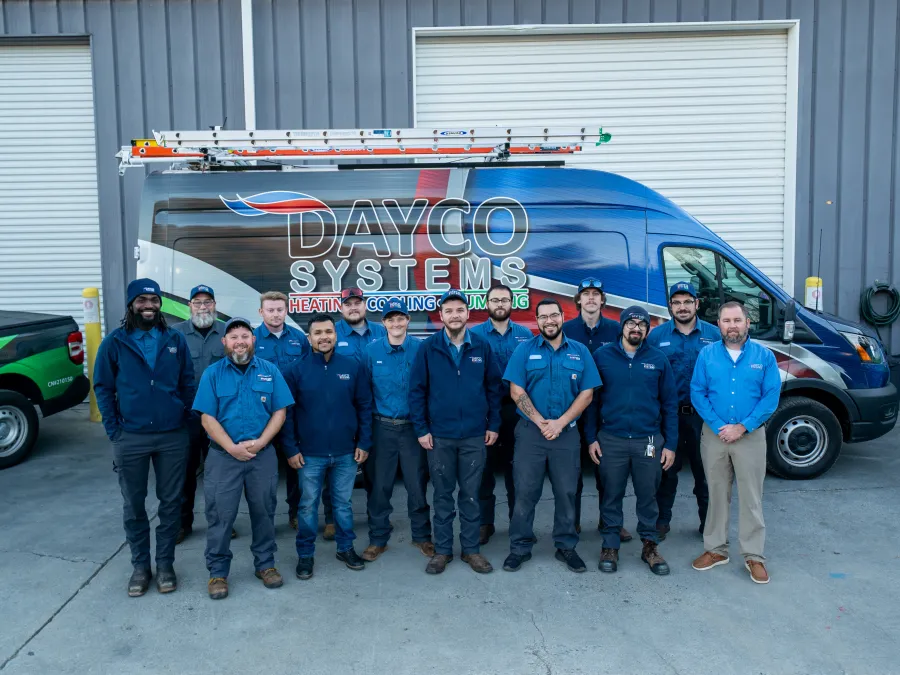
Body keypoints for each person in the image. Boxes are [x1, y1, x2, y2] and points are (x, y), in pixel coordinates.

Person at [93, 278, 195, 597]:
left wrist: (184, 420)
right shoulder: (115, 342)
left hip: (172, 436)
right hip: (131, 437)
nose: (148, 305)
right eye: (142, 300)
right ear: (131, 305)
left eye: (154, 300)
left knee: (171, 503)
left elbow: (188, 384)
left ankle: (165, 565)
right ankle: (140, 567)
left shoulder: (175, 339)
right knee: (134, 505)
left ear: (160, 304)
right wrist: (115, 431)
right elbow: (102, 388)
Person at [192, 317, 294, 600]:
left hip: (262, 457)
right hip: (223, 457)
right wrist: (231, 448)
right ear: (224, 342)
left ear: (253, 340)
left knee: (264, 511)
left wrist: (261, 443)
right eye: (234, 337)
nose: (240, 342)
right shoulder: (213, 374)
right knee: (220, 515)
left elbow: (280, 412)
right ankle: (218, 572)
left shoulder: (269, 371)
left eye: (245, 336)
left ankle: (265, 564)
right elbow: (207, 418)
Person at [501, 299, 600, 573]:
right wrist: (540, 421)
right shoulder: (524, 350)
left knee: (567, 491)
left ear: (562, 316)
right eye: (543, 317)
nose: (549, 321)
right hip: (530, 434)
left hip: (566, 434)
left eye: (554, 315)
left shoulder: (579, 351)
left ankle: (566, 546)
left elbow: (587, 393)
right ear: (537, 321)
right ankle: (519, 547)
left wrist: (560, 423)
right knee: (525, 491)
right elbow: (516, 391)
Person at [408, 289, 502, 575]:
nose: (454, 315)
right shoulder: (428, 348)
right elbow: (417, 391)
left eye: (460, 309)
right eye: (448, 311)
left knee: (471, 495)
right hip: (440, 437)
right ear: (441, 315)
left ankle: (471, 550)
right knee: (442, 495)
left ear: (468, 313)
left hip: (474, 435)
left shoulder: (482, 346)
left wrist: (493, 425)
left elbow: (494, 389)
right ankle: (443, 550)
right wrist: (422, 429)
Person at [690, 301, 781, 584]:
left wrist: (743, 427)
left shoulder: (764, 356)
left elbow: (770, 397)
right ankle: (716, 550)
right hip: (715, 435)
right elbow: (697, 392)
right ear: (718, 324)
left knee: (752, 497)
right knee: (716, 494)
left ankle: (754, 555)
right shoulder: (707, 355)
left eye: (737, 320)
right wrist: (719, 425)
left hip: (750, 436)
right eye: (727, 321)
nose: (732, 326)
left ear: (747, 323)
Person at [585, 306, 678, 576]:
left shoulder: (658, 359)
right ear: (622, 326)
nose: (636, 328)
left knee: (648, 496)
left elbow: (669, 404)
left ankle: (650, 546)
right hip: (611, 439)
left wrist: (670, 444)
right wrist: (591, 438)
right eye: (631, 323)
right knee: (611, 495)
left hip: (648, 440)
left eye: (642, 324)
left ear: (647, 330)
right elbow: (591, 402)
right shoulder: (602, 356)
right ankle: (610, 545)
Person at [282, 313, 373, 580]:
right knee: (307, 506)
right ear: (309, 337)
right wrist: (291, 449)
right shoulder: (295, 371)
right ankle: (305, 555)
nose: (324, 337)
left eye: (328, 332)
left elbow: (364, 406)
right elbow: (287, 414)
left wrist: (364, 442)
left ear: (336, 335)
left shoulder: (353, 366)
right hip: (309, 454)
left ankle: (345, 549)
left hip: (346, 452)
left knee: (343, 504)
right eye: (318, 333)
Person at [360, 298, 433, 561]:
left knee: (417, 485)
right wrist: (365, 435)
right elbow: (364, 395)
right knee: (380, 487)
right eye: (391, 319)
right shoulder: (371, 351)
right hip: (382, 428)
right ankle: (378, 539)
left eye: (400, 318)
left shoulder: (421, 349)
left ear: (408, 320)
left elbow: (429, 389)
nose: (396, 323)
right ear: (384, 323)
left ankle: (422, 537)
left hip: (413, 429)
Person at [647, 282, 719, 540]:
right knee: (666, 470)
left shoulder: (714, 335)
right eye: (677, 303)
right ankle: (661, 522)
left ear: (697, 304)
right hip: (670, 416)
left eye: (688, 302)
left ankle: (708, 524)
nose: (682, 307)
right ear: (670, 306)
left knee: (706, 472)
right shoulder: (656, 337)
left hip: (704, 417)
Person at [562, 277, 629, 541]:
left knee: (608, 472)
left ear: (603, 300)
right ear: (578, 300)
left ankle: (610, 522)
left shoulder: (615, 330)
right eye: (586, 294)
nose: (591, 298)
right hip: (573, 409)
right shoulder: (566, 329)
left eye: (596, 294)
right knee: (572, 471)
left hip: (605, 410)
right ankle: (572, 521)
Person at [470, 284, 533, 545]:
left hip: (515, 410)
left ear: (511, 303)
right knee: (483, 469)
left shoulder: (525, 335)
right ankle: (485, 523)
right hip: (484, 410)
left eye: (504, 300)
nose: (499, 304)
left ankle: (517, 523)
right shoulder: (474, 335)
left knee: (516, 469)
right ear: (486, 304)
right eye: (495, 300)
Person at [252, 291, 320, 533]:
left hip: (293, 412)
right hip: (264, 414)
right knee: (264, 470)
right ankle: (265, 519)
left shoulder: (299, 339)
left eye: (280, 309)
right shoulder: (252, 339)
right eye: (270, 310)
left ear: (286, 310)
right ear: (261, 312)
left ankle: (295, 513)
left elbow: (308, 370)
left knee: (295, 465)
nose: (275, 314)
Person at [171, 284, 228, 544]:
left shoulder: (227, 332)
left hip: (220, 418)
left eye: (208, 302)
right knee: (185, 473)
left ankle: (222, 522)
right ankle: (183, 523)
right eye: (197, 302)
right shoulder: (175, 334)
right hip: (188, 418)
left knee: (220, 475)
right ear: (189, 306)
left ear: (215, 305)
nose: (203, 307)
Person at [334, 287, 387, 360]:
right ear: (341, 308)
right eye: (348, 305)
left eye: (357, 303)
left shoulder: (381, 332)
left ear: (365, 306)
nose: (353, 308)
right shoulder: (332, 332)